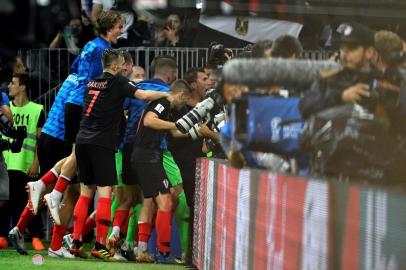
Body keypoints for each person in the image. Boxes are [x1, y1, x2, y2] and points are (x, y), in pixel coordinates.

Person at [69, 49, 168, 261]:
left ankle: (76, 241)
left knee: (86, 192)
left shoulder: (91, 83)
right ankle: (100, 245)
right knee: (105, 193)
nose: (124, 68)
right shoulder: (119, 83)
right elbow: (144, 95)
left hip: (83, 140)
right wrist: (168, 95)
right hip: (102, 143)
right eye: (122, 64)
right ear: (115, 67)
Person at [27, 10, 124, 225]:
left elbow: (74, 70)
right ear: (110, 27)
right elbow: (98, 84)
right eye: (119, 26)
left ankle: (46, 188)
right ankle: (46, 187)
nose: (122, 30)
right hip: (82, 105)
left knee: (77, 155)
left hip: (74, 103)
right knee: (77, 155)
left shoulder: (91, 45)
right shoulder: (103, 50)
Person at [132, 79, 191, 264]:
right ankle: (164, 249)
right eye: (185, 101)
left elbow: (175, 133)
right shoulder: (163, 103)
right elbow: (150, 121)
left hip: (147, 156)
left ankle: (142, 250)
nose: (183, 106)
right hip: (148, 157)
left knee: (149, 202)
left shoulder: (167, 108)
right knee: (166, 200)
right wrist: (175, 125)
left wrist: (198, 130)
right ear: (181, 95)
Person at [4, 73, 46, 253]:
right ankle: (2, 236)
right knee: (5, 201)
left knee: (30, 201)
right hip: (6, 162)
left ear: (23, 87)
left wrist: (36, 162)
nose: (9, 86)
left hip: (26, 164)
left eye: (13, 83)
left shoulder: (37, 109)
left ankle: (36, 236)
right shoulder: (4, 108)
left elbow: (40, 140)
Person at [299, 22, 376, 118]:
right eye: (343, 48)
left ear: (369, 52)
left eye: (352, 48)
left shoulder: (380, 80)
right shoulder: (329, 77)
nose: (345, 54)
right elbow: (305, 107)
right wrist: (340, 97)